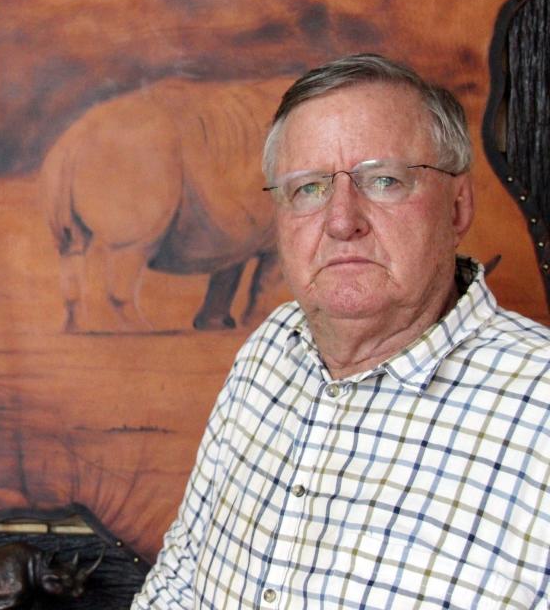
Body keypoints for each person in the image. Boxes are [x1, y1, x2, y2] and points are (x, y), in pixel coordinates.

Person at [131, 53, 550, 609]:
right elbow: (182, 571)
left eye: (384, 179)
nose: (340, 220)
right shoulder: (269, 351)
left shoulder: (540, 412)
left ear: (457, 206)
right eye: (308, 188)